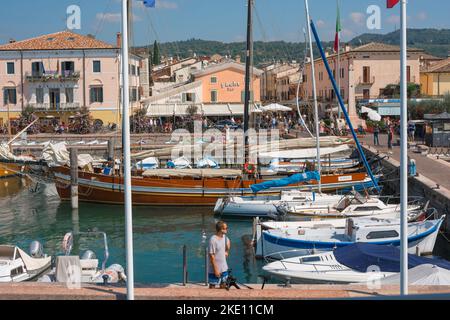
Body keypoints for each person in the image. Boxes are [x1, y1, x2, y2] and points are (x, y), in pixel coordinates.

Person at [208, 221, 231, 289]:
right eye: (225, 228)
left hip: (224, 268)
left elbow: (228, 244)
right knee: (212, 288)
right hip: (214, 269)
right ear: (221, 229)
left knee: (223, 287)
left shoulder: (225, 238)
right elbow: (211, 256)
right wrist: (216, 270)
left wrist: (227, 251)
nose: (227, 229)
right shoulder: (213, 240)